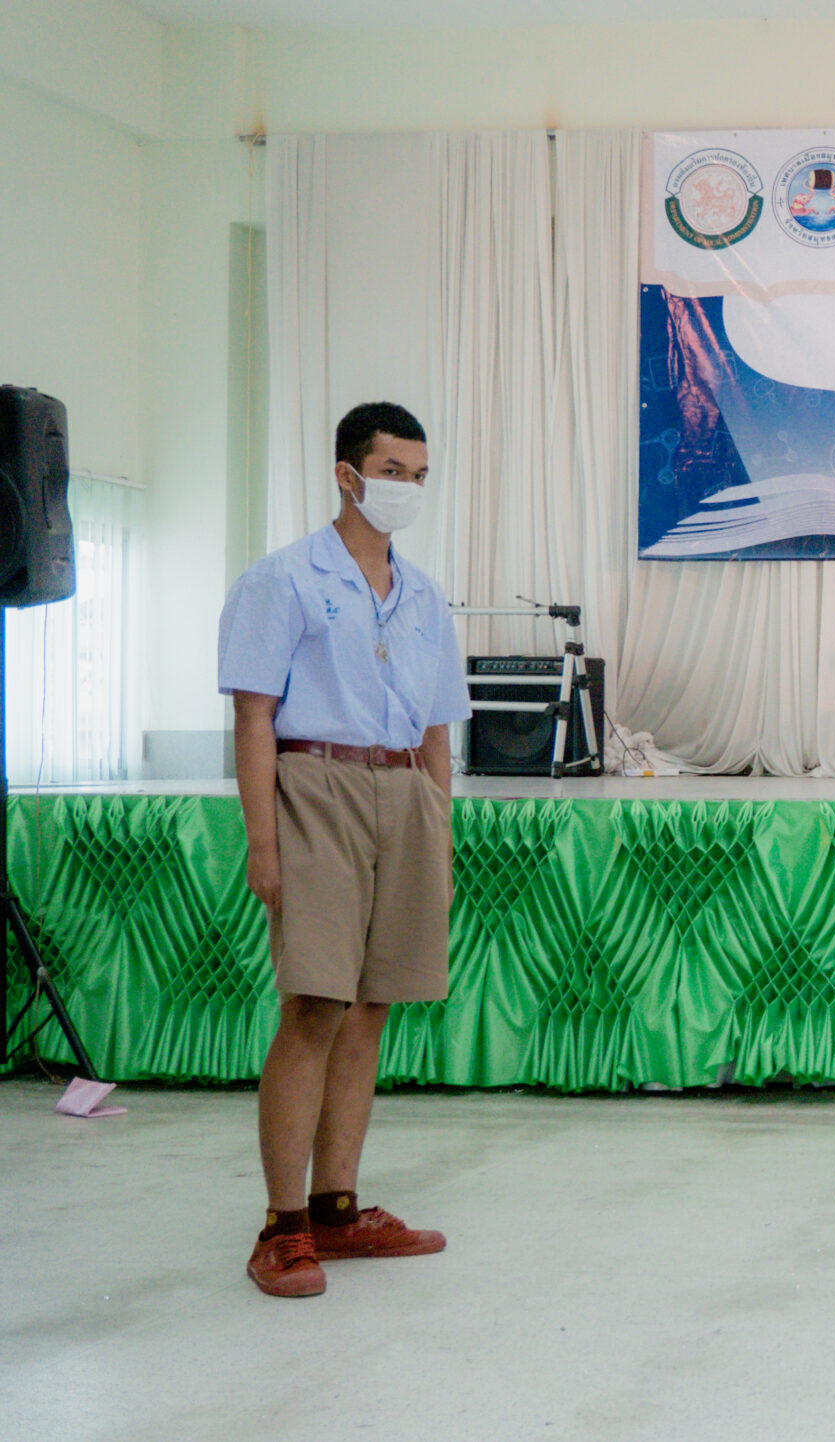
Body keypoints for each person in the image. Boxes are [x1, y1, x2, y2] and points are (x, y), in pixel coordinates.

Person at [218, 401, 474, 1296]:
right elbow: (254, 715)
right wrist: (263, 843)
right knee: (315, 1006)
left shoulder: (425, 595)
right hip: (316, 783)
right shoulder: (284, 578)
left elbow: (437, 727)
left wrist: (440, 833)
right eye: (392, 472)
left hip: (405, 791)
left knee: (372, 1007)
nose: (406, 488)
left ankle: (337, 1208)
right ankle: (282, 1226)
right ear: (348, 474)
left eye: (419, 476)